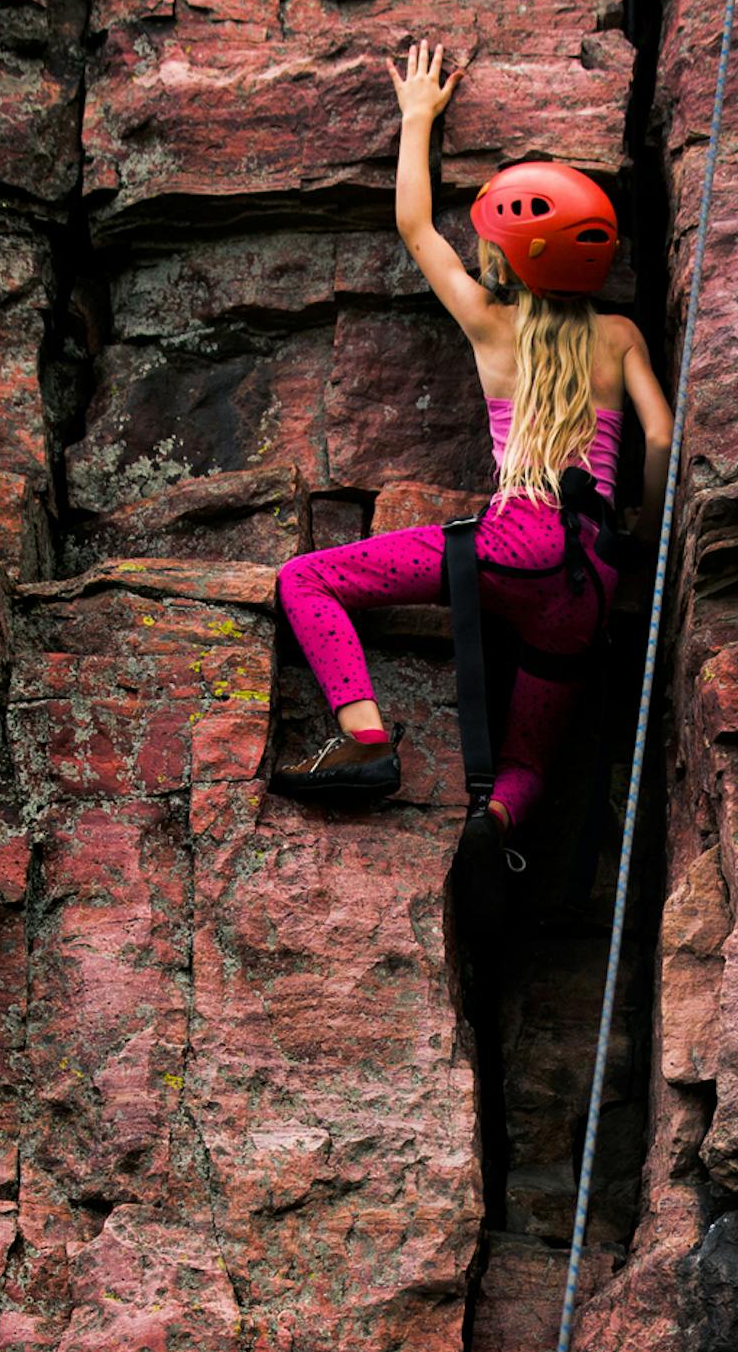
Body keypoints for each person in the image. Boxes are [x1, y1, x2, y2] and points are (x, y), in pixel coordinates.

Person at [269, 43, 673, 834]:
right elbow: (658, 435)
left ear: (513, 255)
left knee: (306, 581)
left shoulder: (491, 324)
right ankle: (497, 819)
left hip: (510, 541)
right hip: (587, 579)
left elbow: (414, 225)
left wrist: (417, 116)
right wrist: (644, 544)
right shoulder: (621, 333)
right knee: (527, 762)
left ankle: (366, 741)